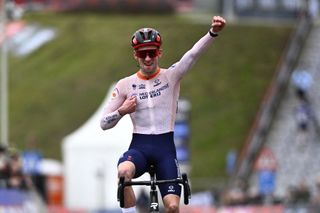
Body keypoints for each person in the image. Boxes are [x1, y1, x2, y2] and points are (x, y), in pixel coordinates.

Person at [100, 16, 226, 213]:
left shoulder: (171, 76)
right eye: (143, 54)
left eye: (152, 53)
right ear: (135, 56)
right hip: (139, 148)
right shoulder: (125, 84)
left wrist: (213, 33)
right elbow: (103, 123)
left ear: (159, 53)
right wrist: (122, 111)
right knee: (124, 172)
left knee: (173, 207)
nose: (148, 58)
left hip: (165, 150)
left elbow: (192, 55)